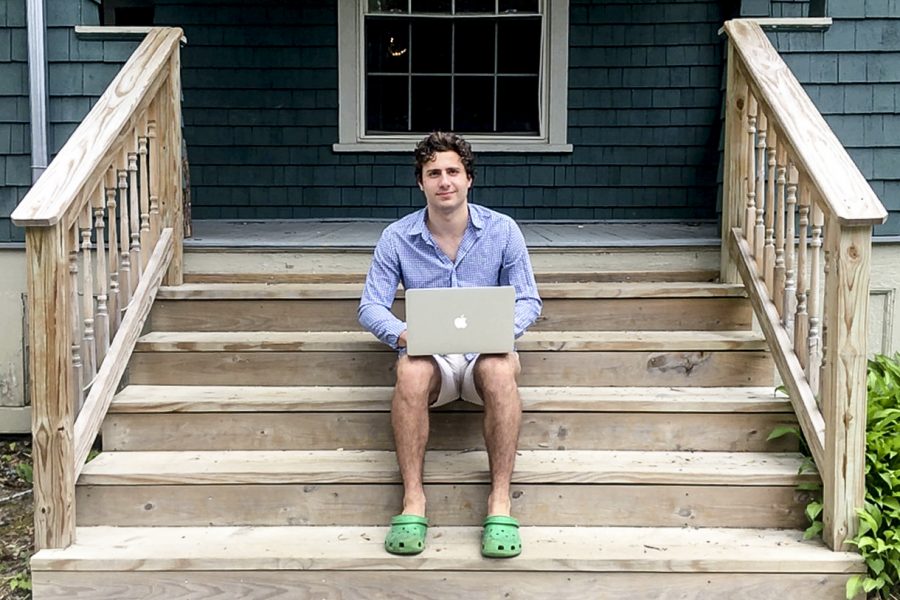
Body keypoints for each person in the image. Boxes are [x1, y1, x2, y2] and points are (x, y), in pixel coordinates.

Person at [358, 131, 542, 559]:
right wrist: (407, 335)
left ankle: (499, 502)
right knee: (409, 367)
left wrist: (500, 330)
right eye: (433, 173)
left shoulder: (502, 230)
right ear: (420, 182)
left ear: (468, 179)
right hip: (431, 358)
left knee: (499, 366)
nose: (444, 181)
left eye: (452, 172)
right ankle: (413, 501)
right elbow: (371, 306)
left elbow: (529, 298)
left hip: (486, 355)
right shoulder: (397, 237)